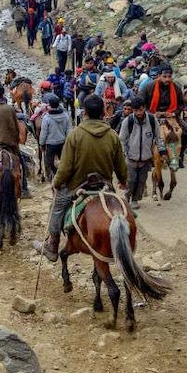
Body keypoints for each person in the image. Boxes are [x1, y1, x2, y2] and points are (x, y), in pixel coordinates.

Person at [35, 95, 127, 261]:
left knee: (56, 208)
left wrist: (56, 183)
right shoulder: (112, 135)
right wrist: (123, 180)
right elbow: (120, 164)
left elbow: (65, 167)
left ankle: (52, 245)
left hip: (77, 185)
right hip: (104, 185)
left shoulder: (75, 135)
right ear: (104, 112)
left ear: (84, 112)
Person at [118, 97, 162, 210]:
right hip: (131, 157)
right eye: (135, 110)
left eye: (140, 110)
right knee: (131, 180)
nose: (138, 113)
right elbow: (122, 139)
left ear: (145, 108)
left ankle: (135, 199)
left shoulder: (152, 121)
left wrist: (162, 151)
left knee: (141, 181)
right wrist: (122, 154)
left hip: (146, 158)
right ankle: (127, 198)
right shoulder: (128, 121)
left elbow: (159, 137)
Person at [38, 92, 72, 181]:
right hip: (62, 142)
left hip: (50, 144)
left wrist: (41, 143)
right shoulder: (65, 115)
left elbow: (43, 133)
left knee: (48, 162)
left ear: (50, 105)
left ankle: (50, 177)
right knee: (64, 161)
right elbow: (69, 129)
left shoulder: (46, 118)